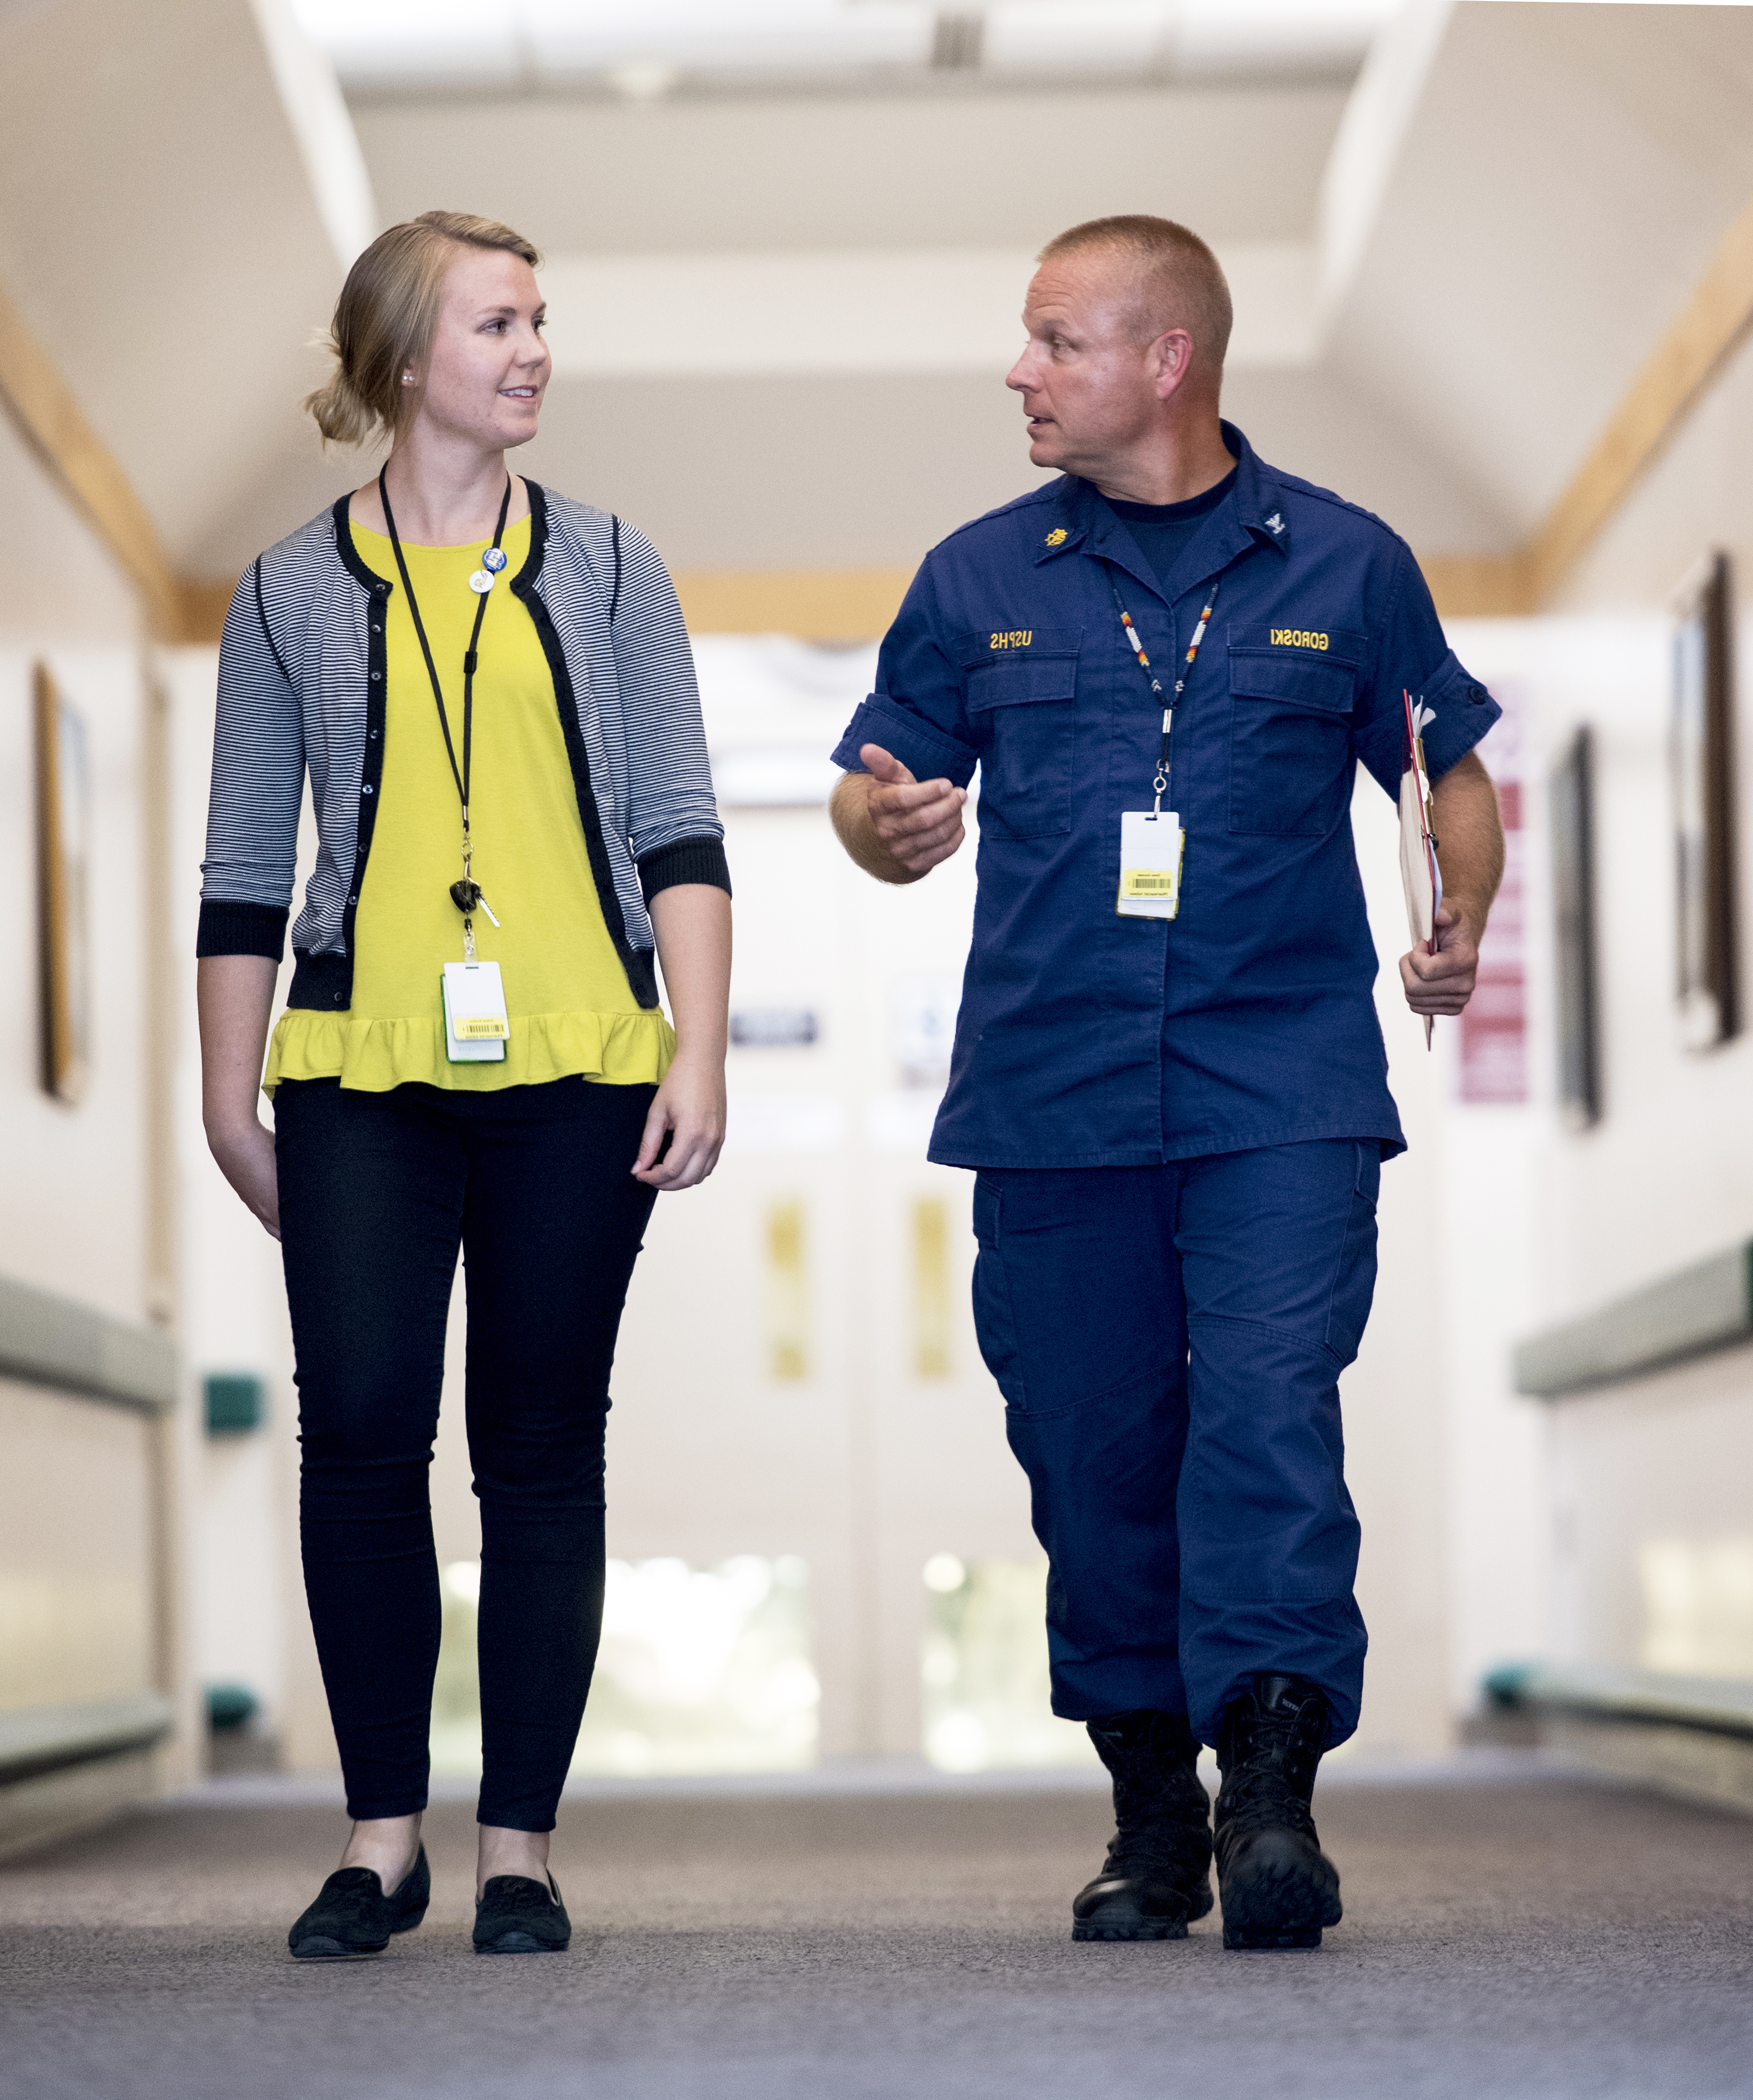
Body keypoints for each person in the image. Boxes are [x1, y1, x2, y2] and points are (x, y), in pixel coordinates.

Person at [828, 215, 1502, 1952]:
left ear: (1165, 360)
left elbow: (1453, 771)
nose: (1020, 369)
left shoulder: (1348, 567)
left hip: (1283, 1076)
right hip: (1050, 1090)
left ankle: (1271, 1792)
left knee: (1269, 1411)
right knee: (1091, 1447)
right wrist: (884, 828)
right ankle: (1151, 1811)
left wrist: (1461, 917)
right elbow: (874, 782)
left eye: (1056, 339)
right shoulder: (977, 578)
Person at [196, 211, 731, 1958]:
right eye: (499, 322)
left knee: (537, 1446)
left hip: (581, 1060)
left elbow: (679, 824)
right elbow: (239, 867)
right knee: (356, 1431)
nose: (533, 351)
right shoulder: (285, 590)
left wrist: (700, 1045)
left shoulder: (611, 563)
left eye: (541, 320)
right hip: (359, 1068)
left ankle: (517, 1849)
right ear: (408, 357)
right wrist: (226, 1096)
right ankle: (380, 1839)